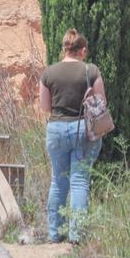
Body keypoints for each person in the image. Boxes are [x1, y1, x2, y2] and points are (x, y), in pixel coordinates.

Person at [39, 28, 105, 243]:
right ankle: (77, 236)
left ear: (64, 49)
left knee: (58, 182)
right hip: (83, 130)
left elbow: (45, 107)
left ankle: (54, 233)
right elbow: (101, 104)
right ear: (82, 50)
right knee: (79, 182)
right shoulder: (91, 71)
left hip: (56, 128)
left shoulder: (49, 73)